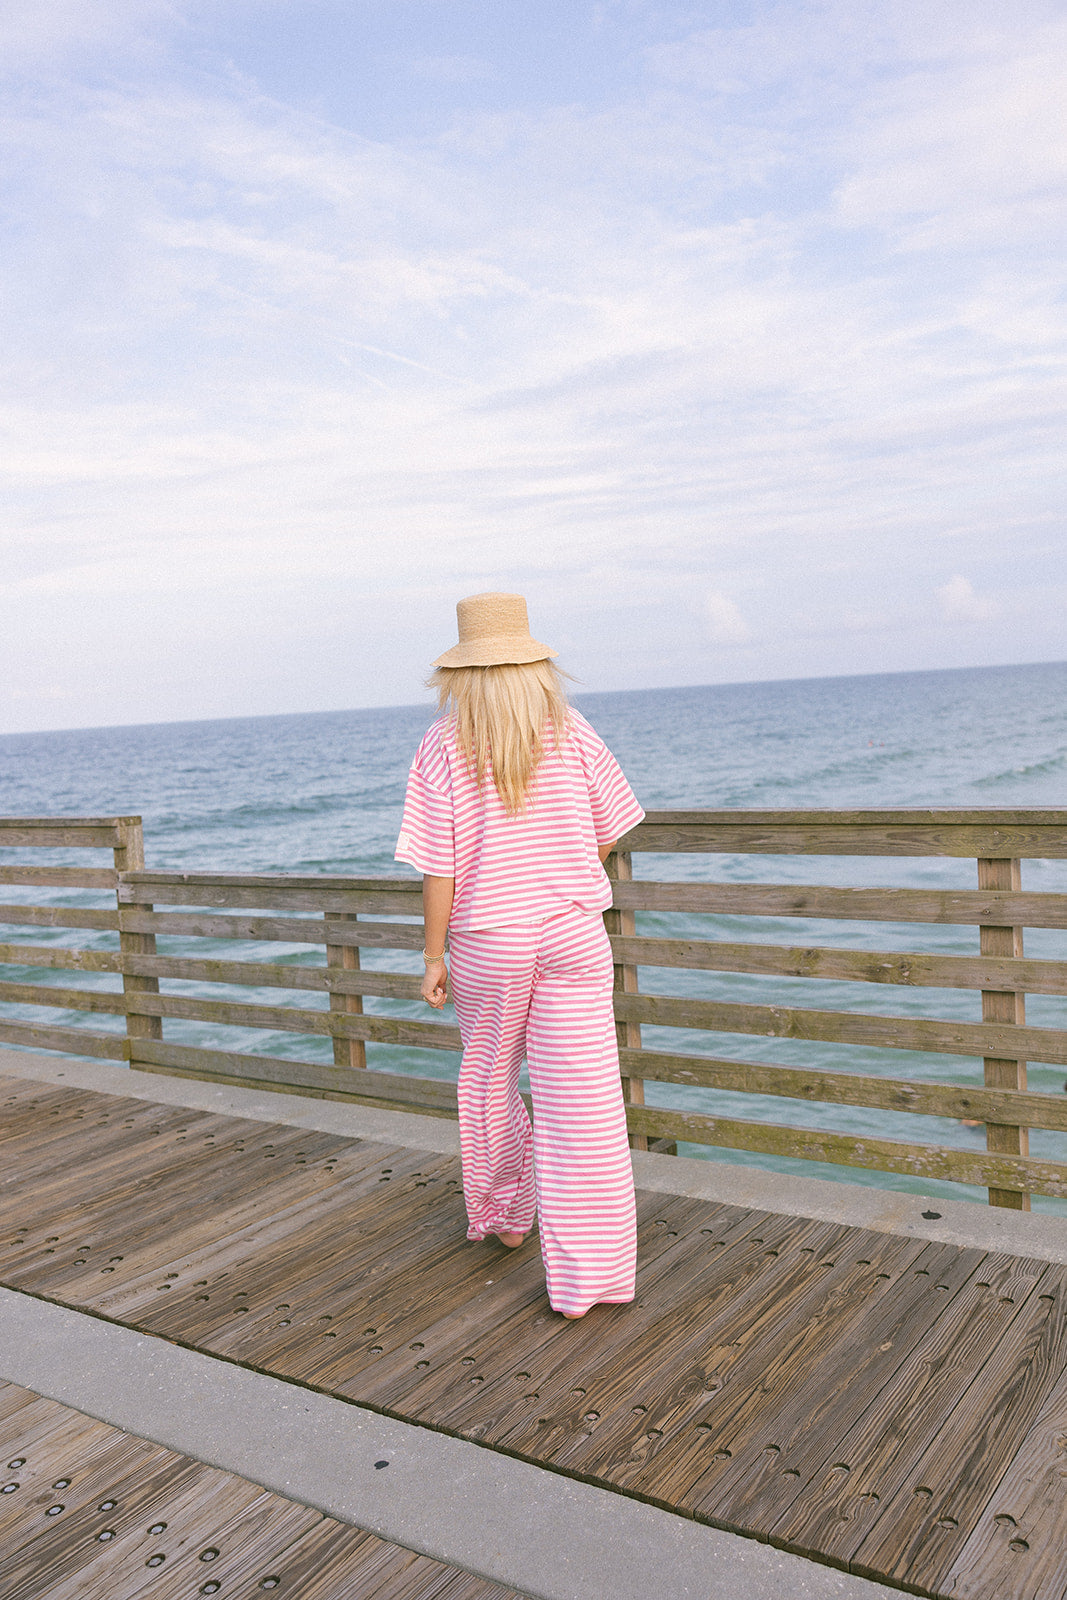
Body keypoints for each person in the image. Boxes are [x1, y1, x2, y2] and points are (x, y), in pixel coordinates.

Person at [394, 592, 645, 1319]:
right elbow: (610, 827)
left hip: (488, 940)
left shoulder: (443, 743)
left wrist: (432, 953)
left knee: (489, 1079)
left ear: (460, 672)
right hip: (572, 931)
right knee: (586, 1106)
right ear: (534, 661)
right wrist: (567, 866)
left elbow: (437, 865)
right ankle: (592, 1282)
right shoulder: (573, 729)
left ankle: (507, 1217)